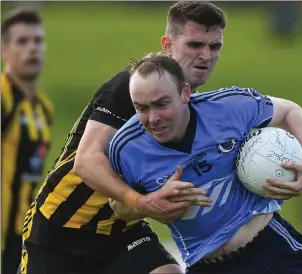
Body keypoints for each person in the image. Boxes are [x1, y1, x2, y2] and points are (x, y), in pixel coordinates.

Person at [19, 2, 226, 274]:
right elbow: (86, 161)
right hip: (60, 227)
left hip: (120, 230)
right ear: (168, 44)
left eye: (214, 47)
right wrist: (141, 202)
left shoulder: (194, 106)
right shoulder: (130, 87)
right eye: (195, 45)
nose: (205, 56)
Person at [108, 52, 302, 274]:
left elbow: (289, 111)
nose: (153, 118)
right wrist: (151, 202)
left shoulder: (229, 107)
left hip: (271, 252)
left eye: (162, 104)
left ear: (185, 93)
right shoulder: (126, 147)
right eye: (141, 108)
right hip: (205, 265)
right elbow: (119, 209)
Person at [1, 8, 53, 274]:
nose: (32, 48)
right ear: (4, 50)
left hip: (23, 235)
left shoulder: (43, 109)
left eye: (38, 41)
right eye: (22, 42)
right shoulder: (3, 98)